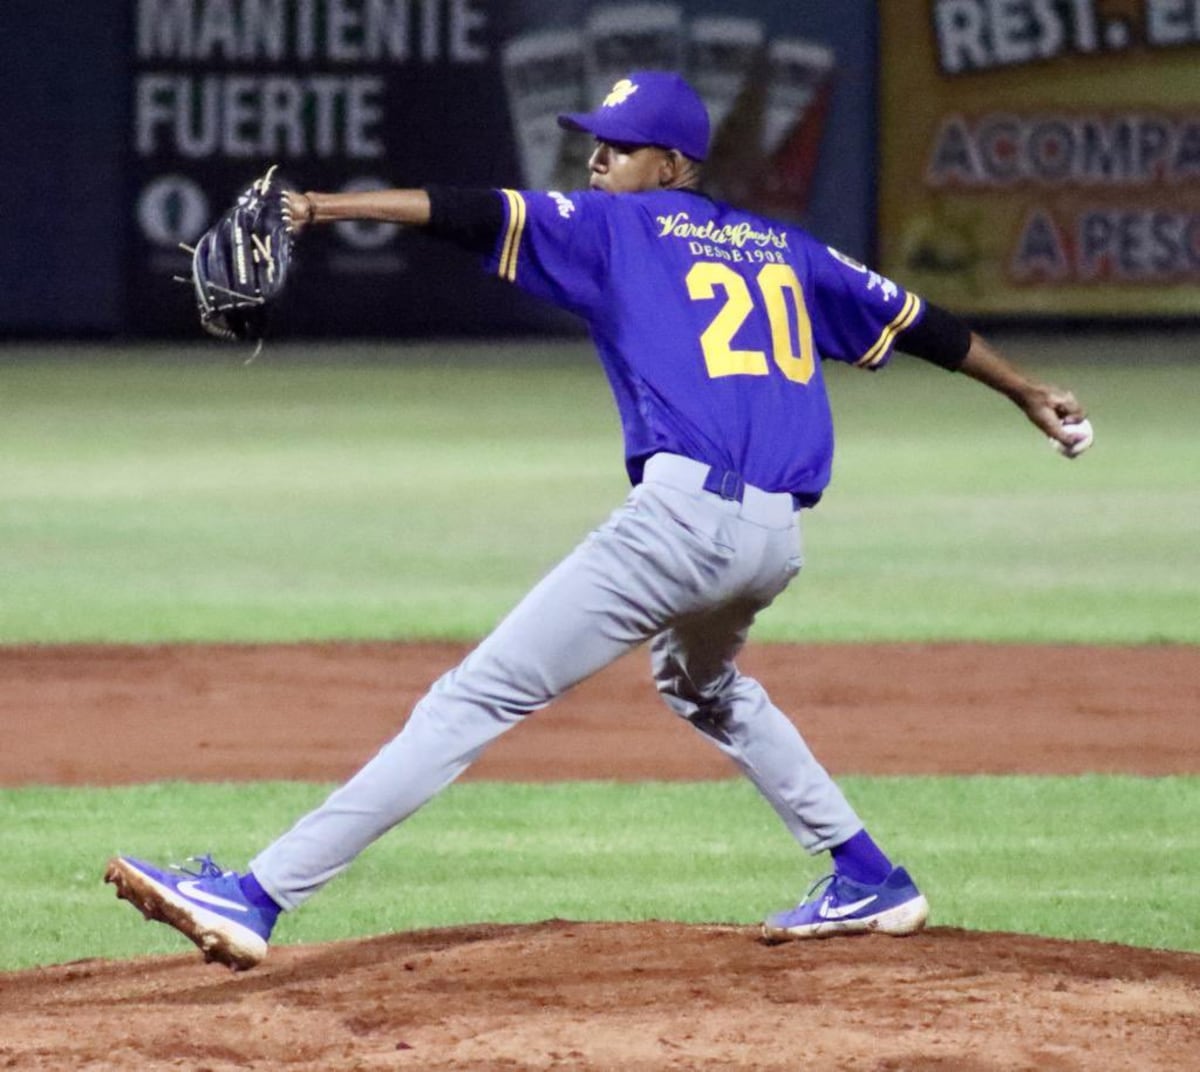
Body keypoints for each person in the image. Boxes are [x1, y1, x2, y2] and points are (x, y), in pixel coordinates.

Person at [105, 70, 1090, 971]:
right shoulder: (786, 248)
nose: (595, 160)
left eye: (615, 148)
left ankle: (256, 895)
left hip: (678, 527)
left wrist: (320, 204)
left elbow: (465, 211)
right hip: (771, 541)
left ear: (670, 165)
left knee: (471, 700)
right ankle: (869, 875)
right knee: (701, 681)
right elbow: (922, 322)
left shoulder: (617, 228)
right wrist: (1025, 391)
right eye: (594, 144)